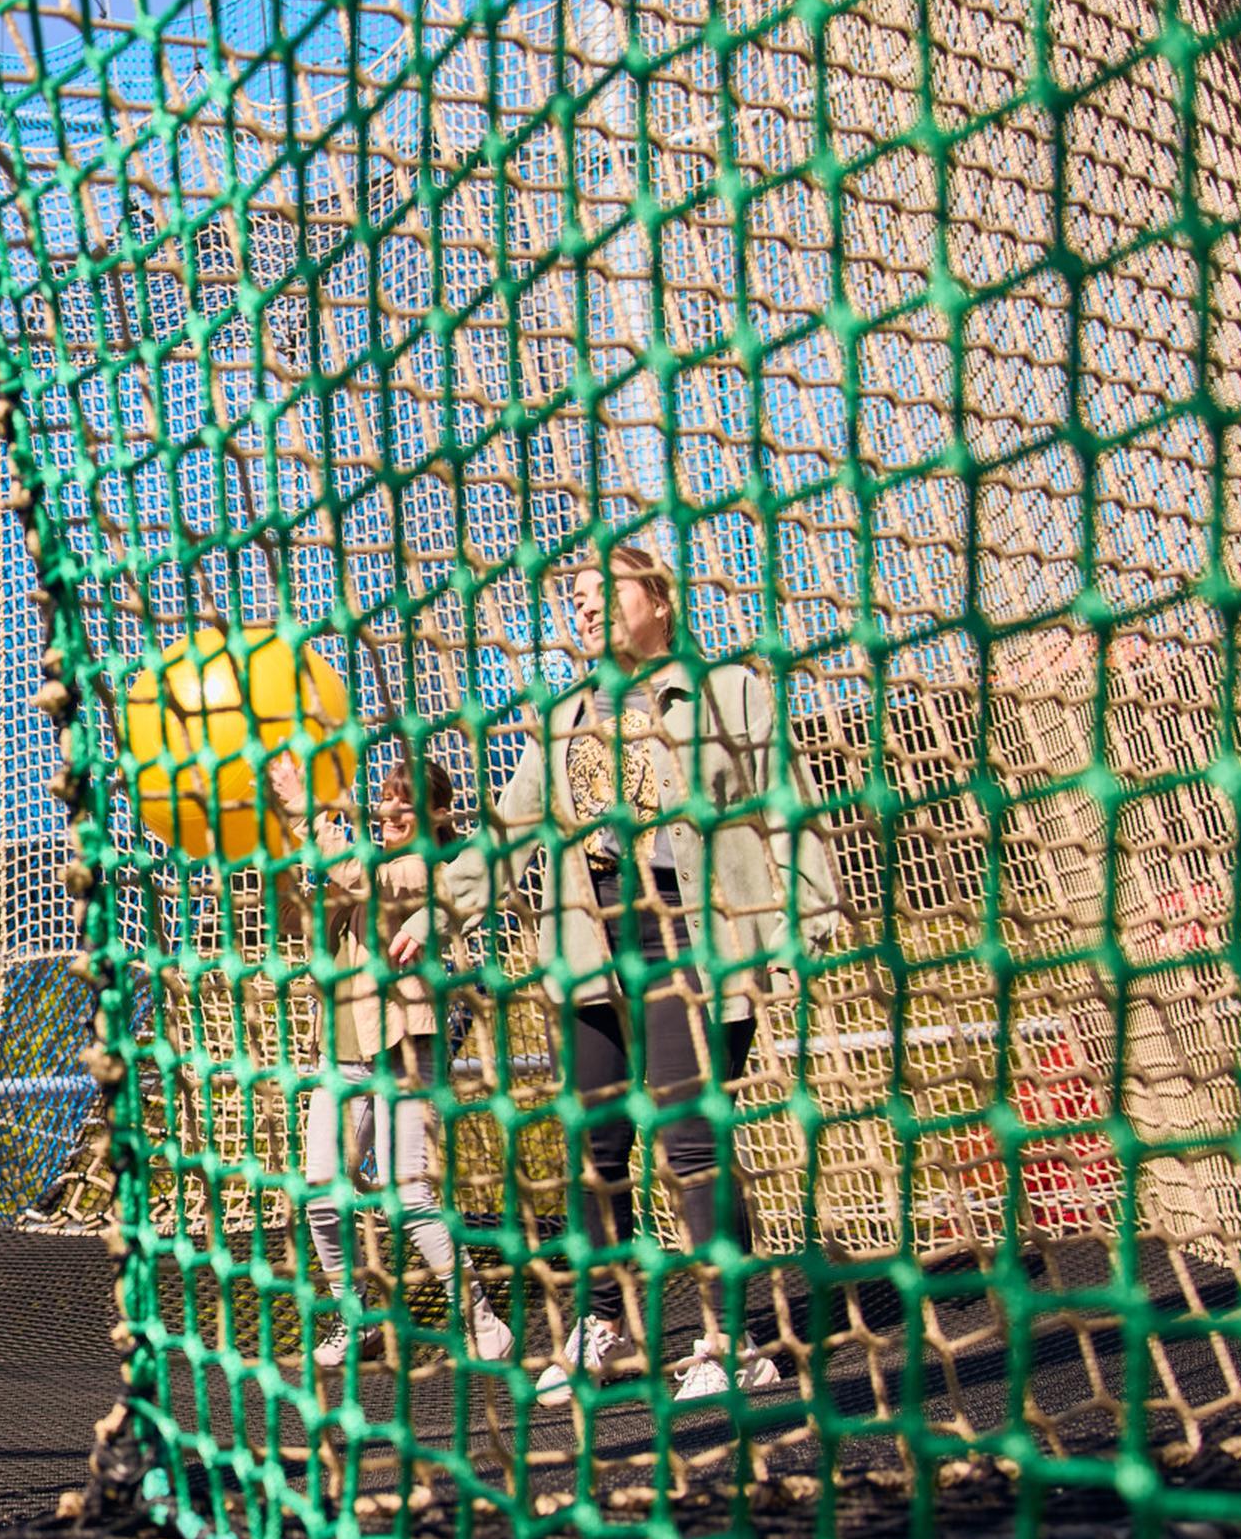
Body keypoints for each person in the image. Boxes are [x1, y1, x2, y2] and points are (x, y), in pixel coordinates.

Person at [489, 541, 842, 1402]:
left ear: (654, 593)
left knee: (690, 1140)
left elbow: (787, 805)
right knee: (595, 1144)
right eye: (569, 599)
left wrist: (810, 909)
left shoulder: (728, 689)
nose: (579, 608)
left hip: (693, 936)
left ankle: (734, 1339)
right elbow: (504, 833)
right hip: (591, 939)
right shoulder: (563, 713)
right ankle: (602, 1320)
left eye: (595, 591)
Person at [301, 749, 505, 1370]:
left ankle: (479, 1317)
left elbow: (367, 876)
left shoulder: (431, 869)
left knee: (407, 1193)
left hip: (403, 1052)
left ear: (437, 815)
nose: (389, 809)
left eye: (406, 803)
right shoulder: (361, 865)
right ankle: (354, 1318)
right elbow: (301, 917)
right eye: (386, 797)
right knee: (320, 1195)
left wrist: (308, 815)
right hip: (342, 1055)